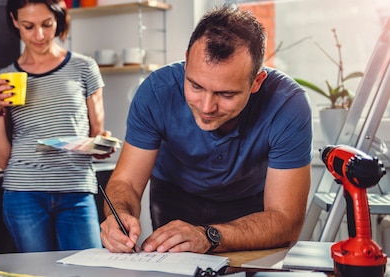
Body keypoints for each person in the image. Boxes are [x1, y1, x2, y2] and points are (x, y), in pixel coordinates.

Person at [100, 4, 313, 254]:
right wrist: (119, 215)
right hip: (174, 199)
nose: (207, 106)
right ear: (187, 60)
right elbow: (127, 182)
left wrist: (209, 235)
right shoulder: (156, 92)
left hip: (250, 212)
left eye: (226, 94)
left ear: (256, 82)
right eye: (196, 86)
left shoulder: (288, 105)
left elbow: (286, 220)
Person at [0, 0, 110, 252]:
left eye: (47, 24)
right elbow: (0, 159)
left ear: (59, 20)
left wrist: (103, 145)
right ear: (14, 22)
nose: (39, 35)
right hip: (23, 193)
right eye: (29, 26)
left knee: (88, 270)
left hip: (76, 189)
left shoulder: (84, 68)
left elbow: (98, 136)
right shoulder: (4, 79)